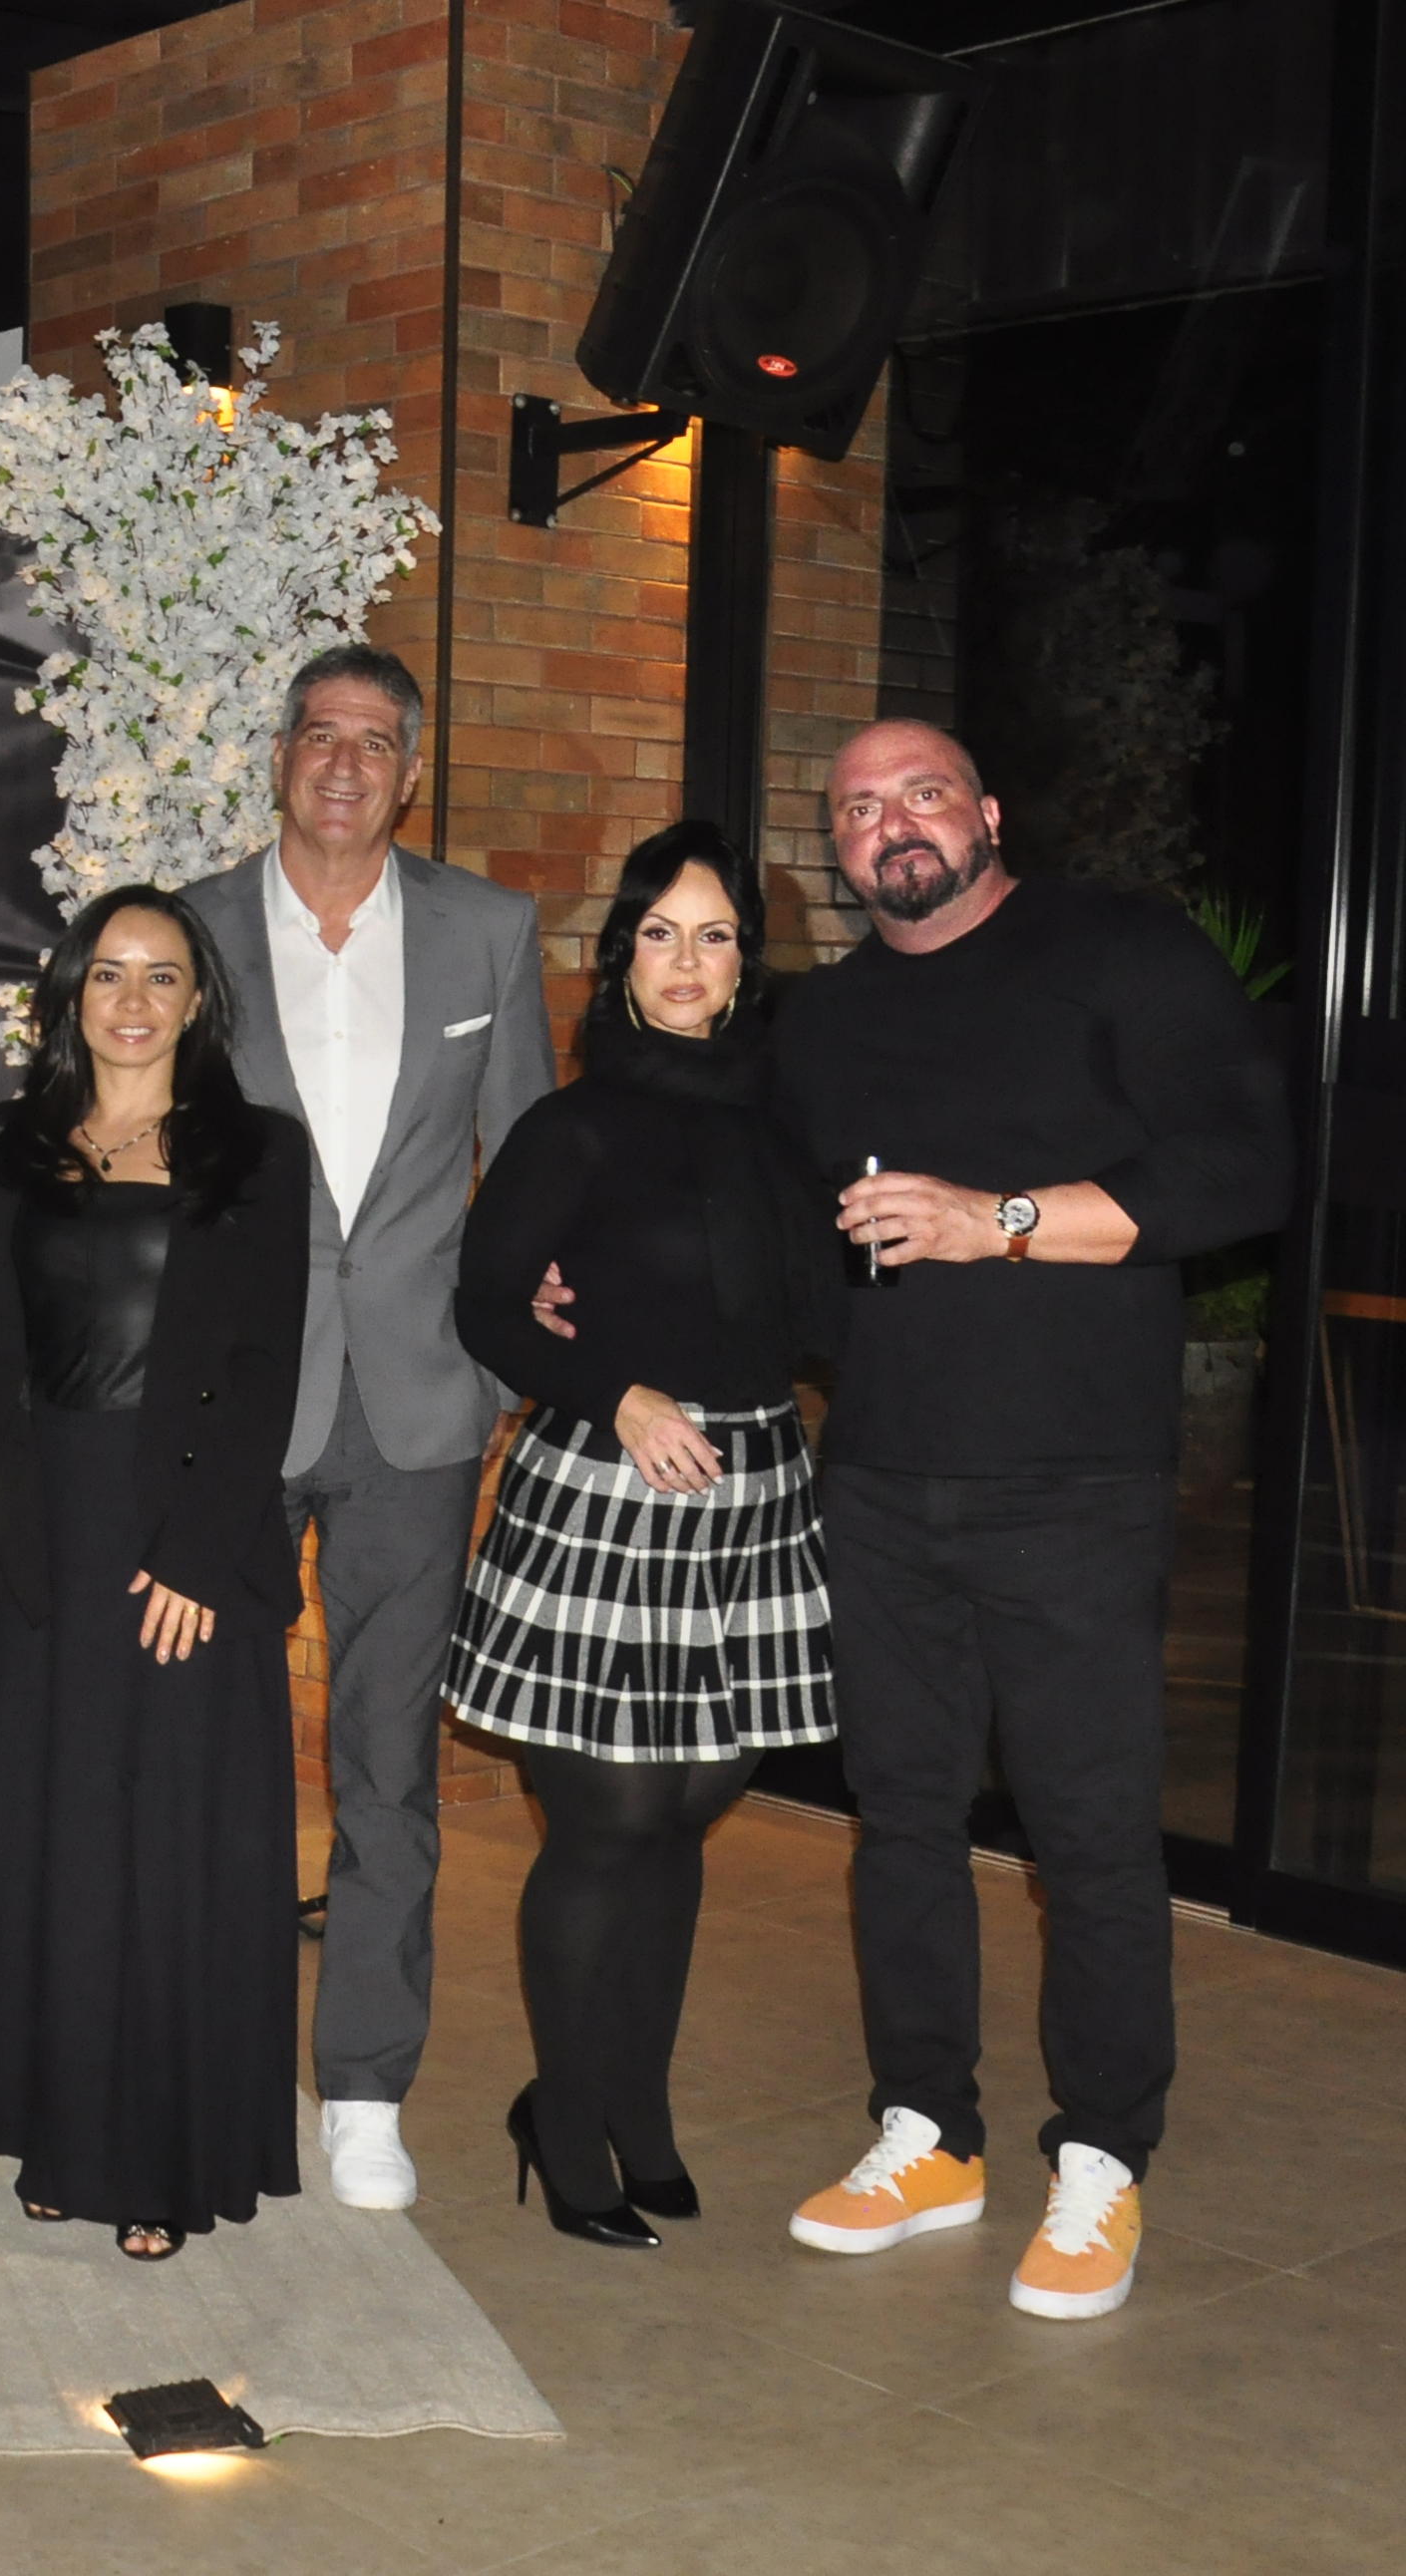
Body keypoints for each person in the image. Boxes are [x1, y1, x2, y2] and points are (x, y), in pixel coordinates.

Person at [764, 719, 1284, 2318]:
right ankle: (928, 2132)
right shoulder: (822, 1023)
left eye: (922, 793)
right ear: (841, 848)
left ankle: (1105, 2156)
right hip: (883, 1480)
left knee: (1091, 1838)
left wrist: (991, 1221)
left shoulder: (1119, 952)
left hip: (1076, 1484)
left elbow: (1246, 1169)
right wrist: (587, 1297)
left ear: (985, 812)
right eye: (860, 807)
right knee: (904, 1822)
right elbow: (776, 1240)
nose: (893, 824)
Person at [193, 642, 555, 2210]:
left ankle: (362, 2087)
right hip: (231, 1400)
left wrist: (518, 1364)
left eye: (374, 742)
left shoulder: (487, 931)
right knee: (205, 1751)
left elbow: (531, 1166)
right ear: (280, 756)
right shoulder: (189, 932)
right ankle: (208, 2055)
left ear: (412, 773)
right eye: (318, 735)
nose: (343, 763)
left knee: (387, 1764)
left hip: (419, 1401)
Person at [0, 886, 311, 2259]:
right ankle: (52, 2127)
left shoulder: (258, 1150)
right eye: (109, 974)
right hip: (40, 1529)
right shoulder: (2, 1142)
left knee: (167, 1846)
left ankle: (154, 2160)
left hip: (186, 1528)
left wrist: (198, 1554)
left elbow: (264, 1366)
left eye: (163, 976)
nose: (133, 1002)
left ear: (200, 1000)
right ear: (71, 994)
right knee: (38, 1833)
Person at [448, 821, 840, 2250]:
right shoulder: (576, 1125)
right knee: (608, 1821)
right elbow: (488, 1306)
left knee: (686, 1816)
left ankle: (639, 2105)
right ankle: (562, 2120)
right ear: (623, 961)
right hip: (609, 1484)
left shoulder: (786, 1129)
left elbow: (819, 1312)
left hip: (752, 1491)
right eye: (661, 935)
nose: (687, 962)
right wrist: (614, 1391)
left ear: (746, 965)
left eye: (715, 935)